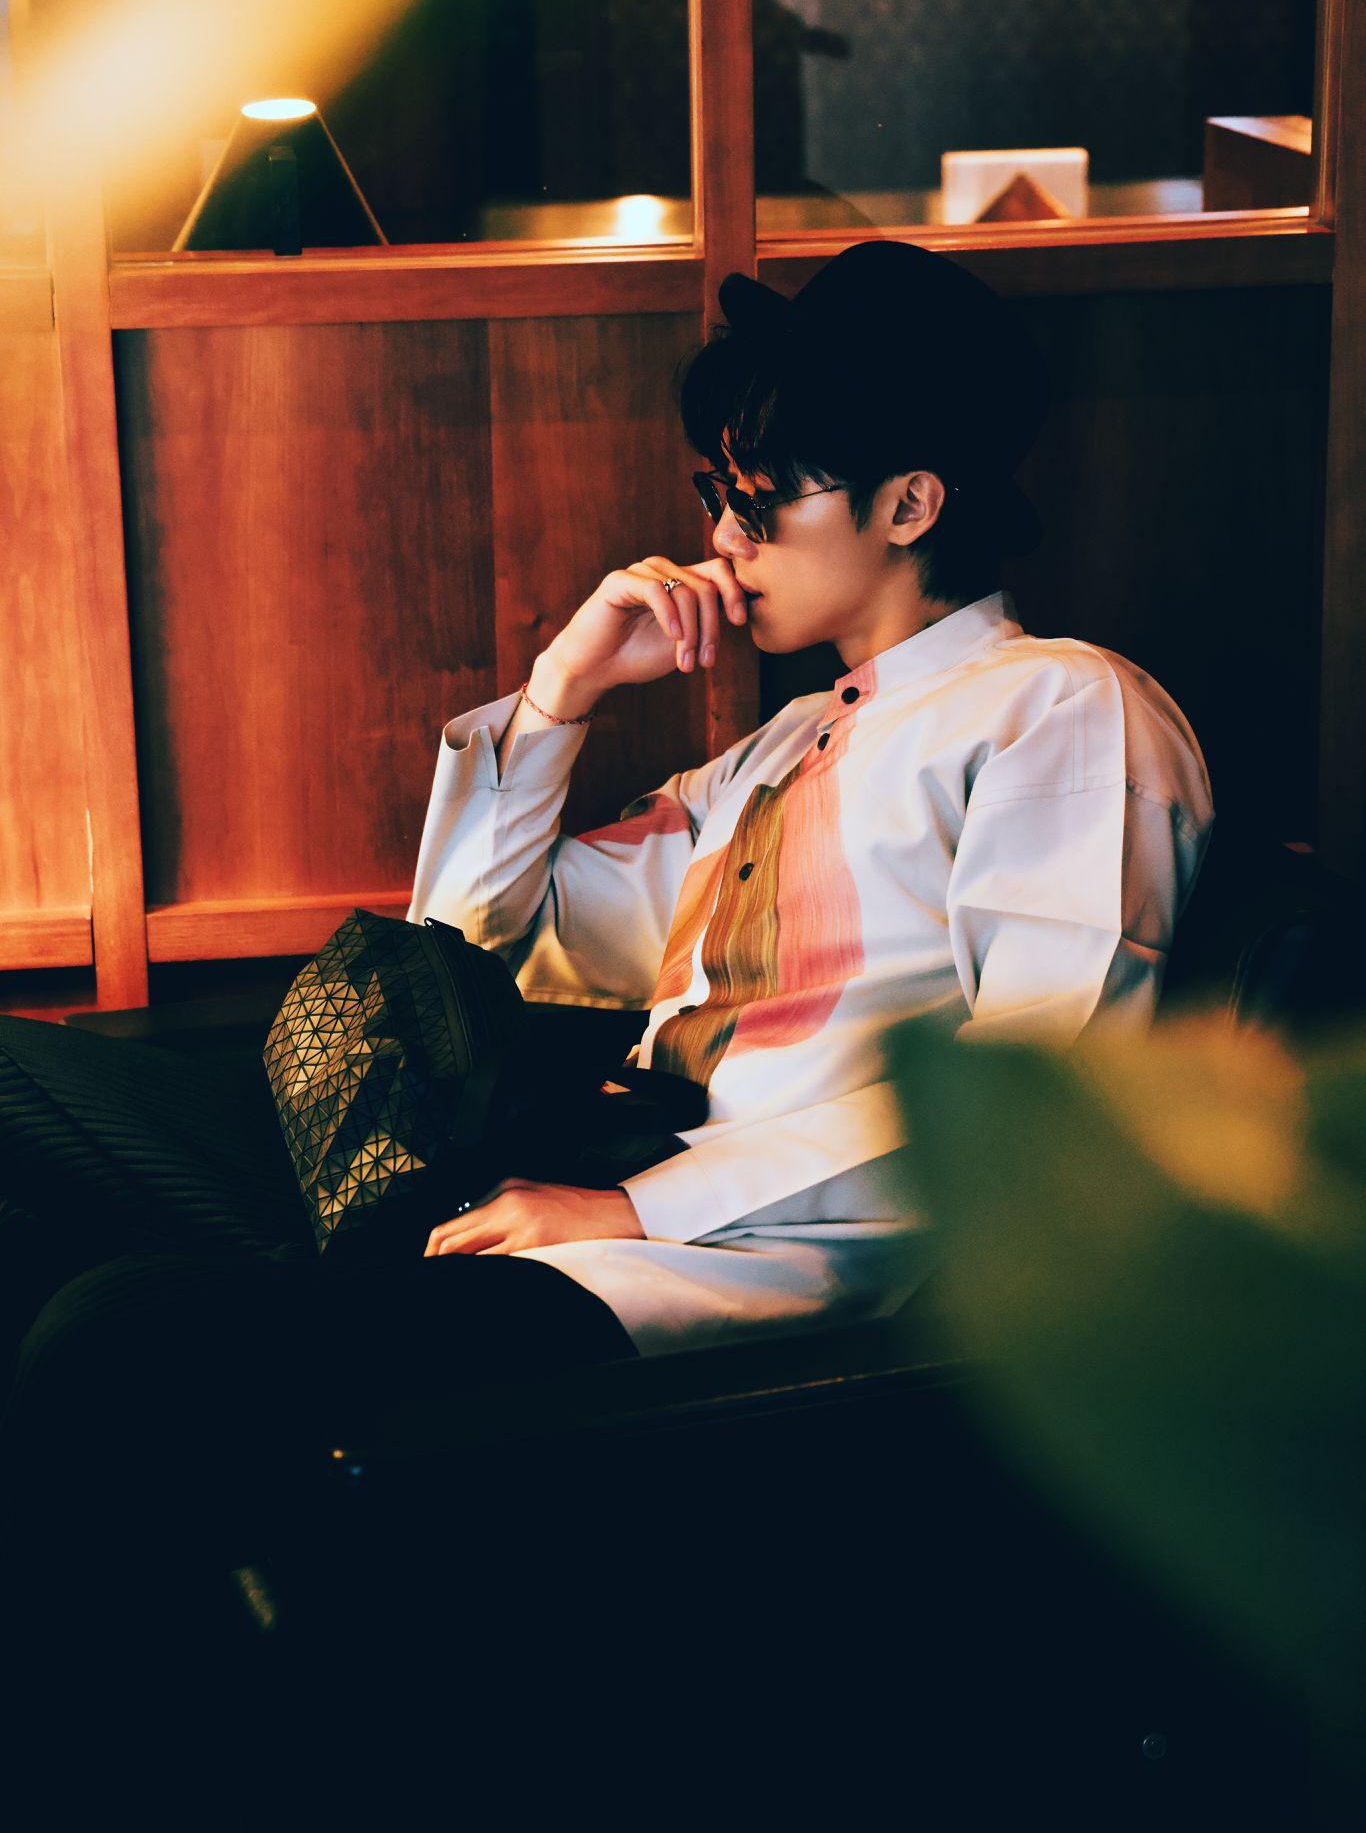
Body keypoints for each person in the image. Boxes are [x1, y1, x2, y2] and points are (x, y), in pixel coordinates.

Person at [0, 239, 1211, 1689]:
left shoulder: (1059, 708)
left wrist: (634, 1209)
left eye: (757, 503)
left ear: (909, 504)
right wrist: (560, 692)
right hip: (556, 1159)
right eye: (715, 497)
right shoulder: (785, 743)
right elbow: (473, 948)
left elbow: (1024, 1101)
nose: (722, 543)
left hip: (729, 1266)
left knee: (126, 1332)